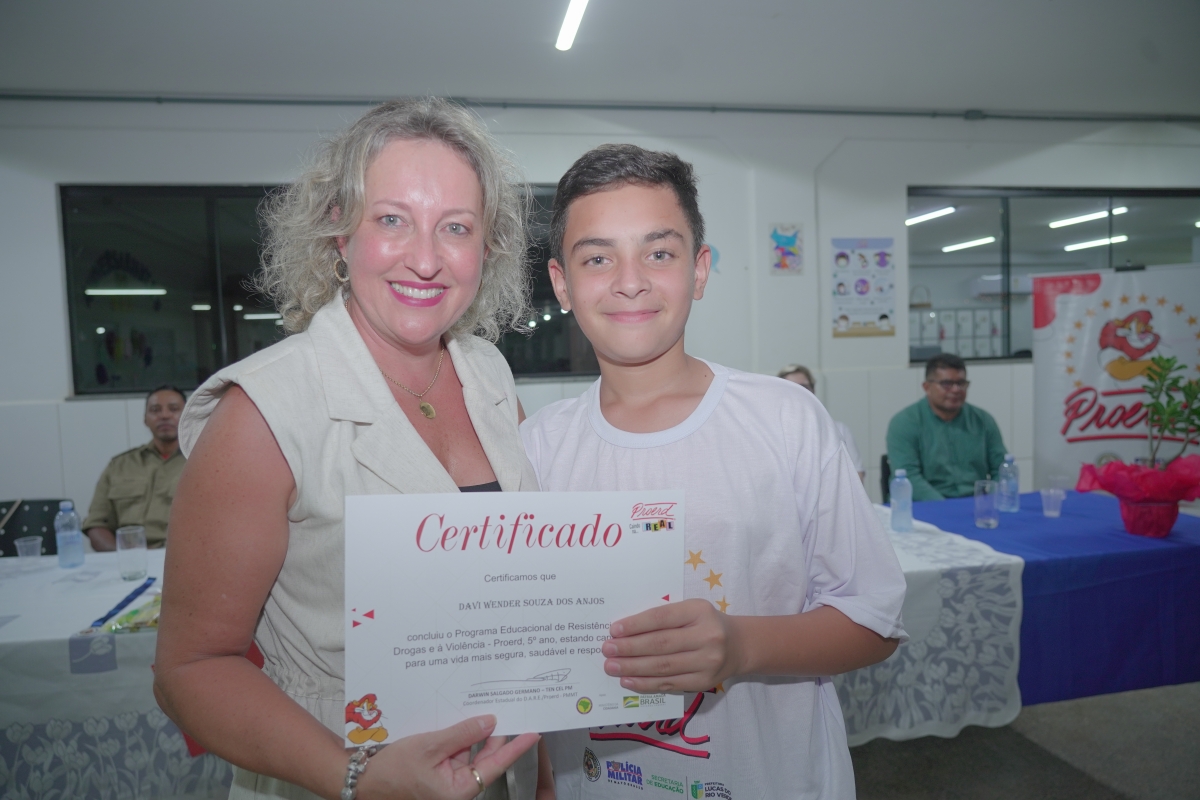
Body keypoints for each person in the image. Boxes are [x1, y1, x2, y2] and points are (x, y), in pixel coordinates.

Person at [154, 99, 546, 800]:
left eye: (456, 227)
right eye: (391, 220)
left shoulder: (489, 374)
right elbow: (190, 670)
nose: (425, 259)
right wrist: (357, 777)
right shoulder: (262, 412)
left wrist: (540, 775)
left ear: (486, 248)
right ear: (339, 230)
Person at [520, 144, 906, 799]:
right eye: (598, 258)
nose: (630, 281)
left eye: (659, 253)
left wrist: (740, 645)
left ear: (699, 271)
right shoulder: (537, 448)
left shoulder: (784, 419)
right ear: (562, 283)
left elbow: (875, 621)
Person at [886, 353, 1008, 500]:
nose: (956, 390)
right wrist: (946, 508)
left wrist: (993, 501)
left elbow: (1002, 469)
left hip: (974, 503)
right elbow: (909, 477)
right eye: (947, 384)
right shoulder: (905, 422)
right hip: (925, 506)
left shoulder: (982, 420)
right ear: (927, 387)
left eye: (961, 383)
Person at [83, 385, 187, 550]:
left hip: (181, 557)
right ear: (145, 419)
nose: (164, 415)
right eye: (155, 410)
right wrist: (124, 557)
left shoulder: (202, 464)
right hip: (128, 556)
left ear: (188, 416)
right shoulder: (119, 465)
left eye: (173, 409)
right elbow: (96, 524)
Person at [777, 365, 866, 483]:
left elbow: (856, 476)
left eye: (804, 387)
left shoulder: (838, 430)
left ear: (813, 390)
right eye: (792, 387)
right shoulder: (773, 433)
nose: (799, 392)